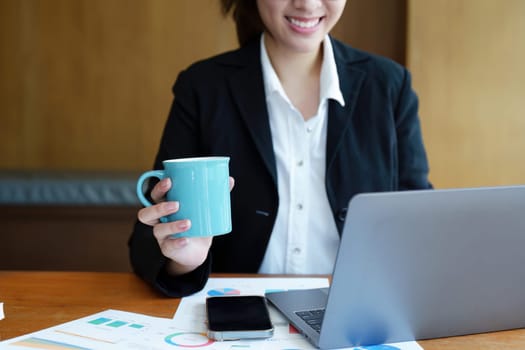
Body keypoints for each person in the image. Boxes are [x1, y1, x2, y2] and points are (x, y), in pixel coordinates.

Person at [129, 0, 432, 297]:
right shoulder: (202, 87)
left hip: (356, 308)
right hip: (238, 309)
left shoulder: (390, 86)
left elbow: (419, 218)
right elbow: (148, 239)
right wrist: (184, 261)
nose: (308, 4)